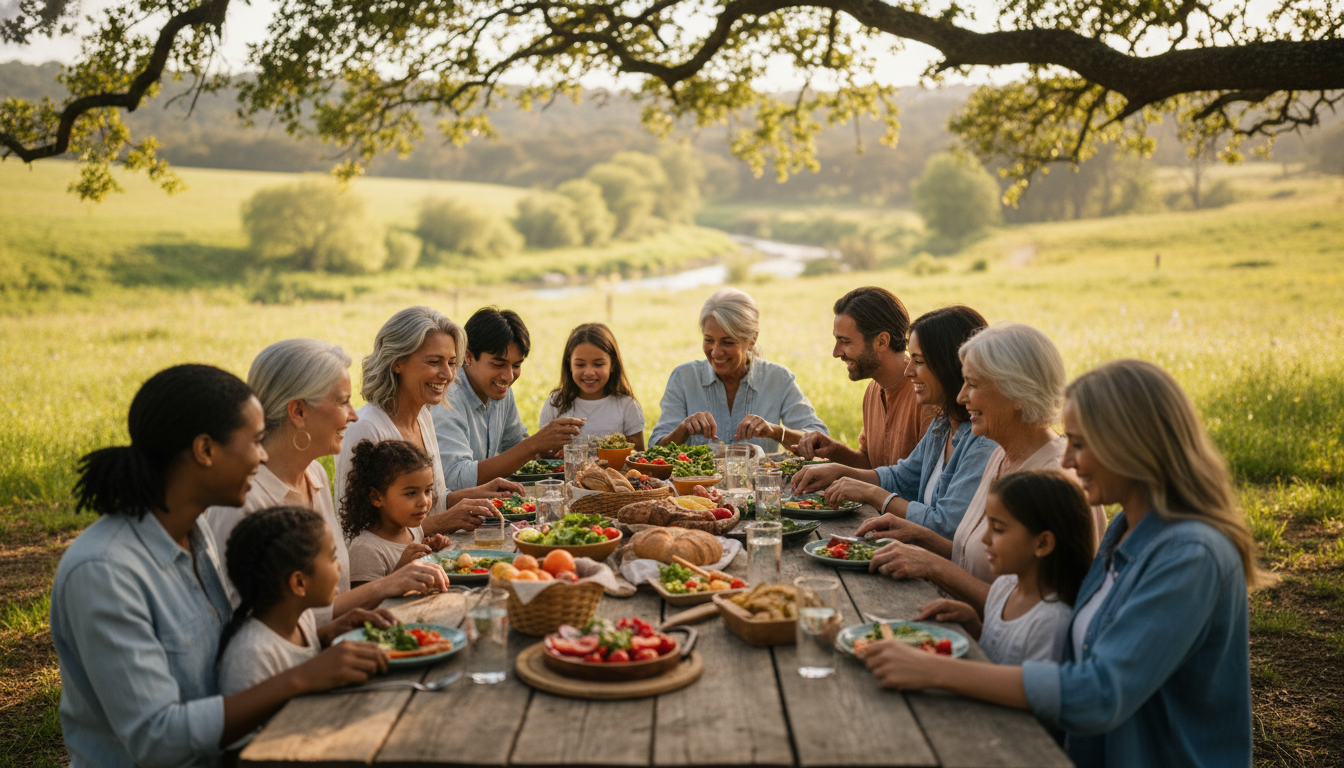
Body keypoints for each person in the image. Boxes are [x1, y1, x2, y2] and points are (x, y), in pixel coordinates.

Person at [862, 359, 1260, 768]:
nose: (1067, 461)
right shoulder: (1128, 527)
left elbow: (1100, 693)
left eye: (1081, 444)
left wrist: (931, 671)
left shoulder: (1189, 555)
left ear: (1135, 444)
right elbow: (1084, 648)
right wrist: (988, 628)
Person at [51, 364, 387, 767]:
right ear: (205, 450)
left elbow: (221, 652)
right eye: (256, 441)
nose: (263, 455)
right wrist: (302, 677)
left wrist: (318, 639)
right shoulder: (105, 572)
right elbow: (156, 737)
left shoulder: (197, 534)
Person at [860, 323, 1107, 611]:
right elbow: (974, 556)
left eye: (973, 385)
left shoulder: (1052, 479)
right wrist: (917, 535)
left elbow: (1035, 612)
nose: (961, 397)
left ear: (1018, 392)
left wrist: (933, 566)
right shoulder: (1001, 455)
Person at [208, 338, 450, 625]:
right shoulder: (242, 499)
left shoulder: (314, 474)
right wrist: (384, 585)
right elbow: (252, 623)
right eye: (342, 401)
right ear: (298, 411)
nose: (353, 415)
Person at [793, 306, 996, 541]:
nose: (909, 370)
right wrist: (840, 471)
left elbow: (945, 526)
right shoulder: (943, 423)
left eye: (918, 361)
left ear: (950, 366)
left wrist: (873, 494)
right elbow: (903, 477)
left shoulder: (983, 441)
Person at [335, 306, 516, 538]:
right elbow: (355, 532)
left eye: (451, 362)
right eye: (434, 362)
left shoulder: (423, 416)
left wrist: (473, 495)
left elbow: (431, 503)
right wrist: (442, 522)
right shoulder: (365, 428)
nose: (448, 374)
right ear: (397, 362)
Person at [217, 506, 384, 747]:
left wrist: (329, 635)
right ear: (298, 583)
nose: (339, 566)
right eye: (332, 557)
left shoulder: (302, 619)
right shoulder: (252, 655)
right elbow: (237, 754)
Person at [914, 470, 1095, 665]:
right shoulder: (1004, 587)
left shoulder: (1051, 622)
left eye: (998, 529)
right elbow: (998, 657)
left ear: (1043, 544)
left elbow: (1028, 690)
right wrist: (975, 626)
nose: (985, 539)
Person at [650, 287, 828, 451]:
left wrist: (776, 432)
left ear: (751, 340)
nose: (716, 352)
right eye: (709, 340)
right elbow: (654, 449)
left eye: (727, 342)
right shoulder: (684, 378)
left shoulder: (778, 379)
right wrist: (682, 430)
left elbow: (819, 441)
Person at [434, 306, 585, 487]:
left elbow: (514, 444)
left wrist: (545, 451)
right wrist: (534, 445)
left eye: (516, 365)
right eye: (498, 364)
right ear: (468, 355)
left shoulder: (499, 388)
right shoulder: (447, 399)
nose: (509, 376)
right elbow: (456, 478)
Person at [793, 287, 934, 468]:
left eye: (845, 342)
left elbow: (923, 483)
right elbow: (869, 464)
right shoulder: (874, 390)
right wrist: (834, 450)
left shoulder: (926, 395)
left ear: (881, 341)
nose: (836, 353)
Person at [342, 440, 452, 586]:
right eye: (411, 493)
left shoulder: (414, 530)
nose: (424, 502)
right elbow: (364, 603)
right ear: (376, 497)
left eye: (428, 491)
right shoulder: (366, 550)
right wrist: (402, 570)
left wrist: (433, 552)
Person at [539, 322, 645, 449]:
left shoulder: (627, 406)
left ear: (612, 365)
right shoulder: (556, 402)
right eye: (580, 365)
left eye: (598, 364)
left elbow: (638, 458)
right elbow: (543, 453)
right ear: (569, 365)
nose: (589, 372)